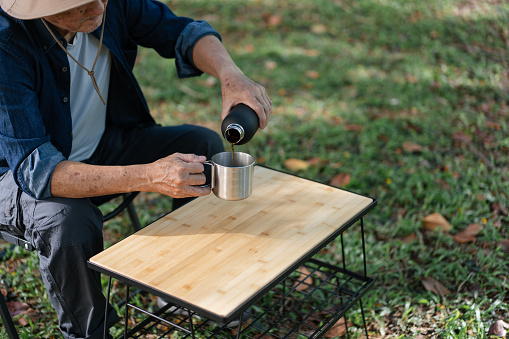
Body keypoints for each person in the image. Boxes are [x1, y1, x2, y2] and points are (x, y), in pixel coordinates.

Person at [0, 0, 272, 337]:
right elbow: (37, 172)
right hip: (13, 175)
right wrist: (150, 175)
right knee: (65, 218)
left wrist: (231, 74)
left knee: (202, 146)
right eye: (81, 2)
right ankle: (89, 334)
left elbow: (184, 32)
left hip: (100, 145)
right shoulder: (6, 46)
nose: (100, 5)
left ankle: (185, 290)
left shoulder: (107, 5)